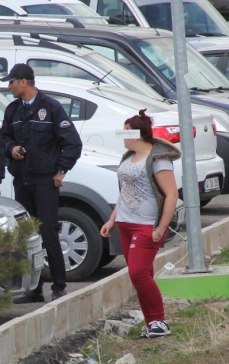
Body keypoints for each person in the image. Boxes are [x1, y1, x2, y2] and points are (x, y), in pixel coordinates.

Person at [0, 63, 82, 303]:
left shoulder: (51, 108)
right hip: (22, 180)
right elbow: (3, 138)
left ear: (23, 82)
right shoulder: (12, 110)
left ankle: (58, 286)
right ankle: (34, 290)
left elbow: (73, 143)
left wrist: (61, 170)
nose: (9, 87)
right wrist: (11, 149)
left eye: (12, 82)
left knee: (48, 232)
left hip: (45, 181)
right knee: (28, 236)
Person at [100, 109, 180, 338]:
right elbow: (125, 192)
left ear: (136, 134)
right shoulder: (128, 158)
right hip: (125, 224)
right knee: (141, 275)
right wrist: (112, 220)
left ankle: (161, 322)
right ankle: (152, 323)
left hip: (146, 226)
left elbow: (171, 195)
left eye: (125, 132)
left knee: (138, 274)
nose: (122, 137)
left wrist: (161, 227)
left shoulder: (158, 159)